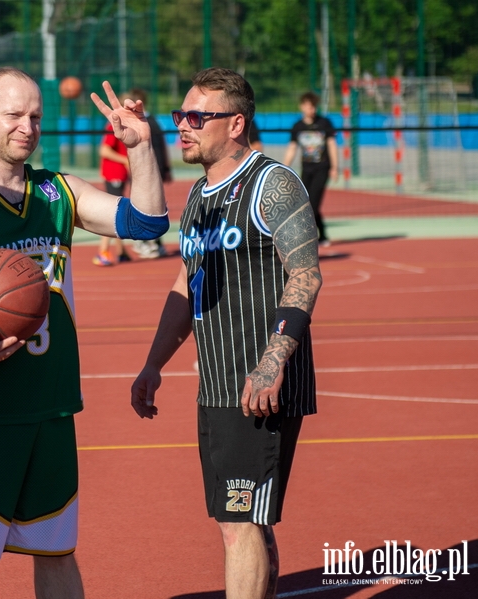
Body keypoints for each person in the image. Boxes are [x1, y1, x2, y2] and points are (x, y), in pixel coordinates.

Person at [0, 67, 167, 599]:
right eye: (14, 115)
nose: (28, 126)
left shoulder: (57, 192)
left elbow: (147, 223)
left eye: (36, 116)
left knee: (57, 554)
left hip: (50, 409)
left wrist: (139, 147)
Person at [131, 67, 322, 599]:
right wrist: (154, 364)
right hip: (216, 385)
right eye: (180, 116)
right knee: (243, 521)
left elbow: (306, 274)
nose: (183, 127)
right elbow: (187, 283)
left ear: (235, 123)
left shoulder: (273, 183)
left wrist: (271, 362)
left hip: (259, 385)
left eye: (197, 116)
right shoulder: (198, 197)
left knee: (239, 525)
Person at [282, 91, 338, 247]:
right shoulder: (297, 126)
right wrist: (283, 168)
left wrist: (334, 167)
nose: (311, 109)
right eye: (307, 106)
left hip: (322, 168)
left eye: (313, 106)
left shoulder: (324, 123)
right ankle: (323, 235)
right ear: (302, 107)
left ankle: (312, 236)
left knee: (314, 202)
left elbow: (332, 145)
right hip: (306, 169)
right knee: (305, 203)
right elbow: (292, 148)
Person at [128, 88, 171, 259]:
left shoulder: (147, 122)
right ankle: (155, 243)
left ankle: (147, 242)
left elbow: (162, 146)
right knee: (155, 204)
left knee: (145, 204)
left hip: (149, 169)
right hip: (153, 167)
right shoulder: (153, 121)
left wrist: (166, 168)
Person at [93, 97, 133, 266]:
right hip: (114, 174)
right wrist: (124, 160)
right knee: (114, 213)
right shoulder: (112, 127)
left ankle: (121, 251)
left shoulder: (124, 127)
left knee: (118, 210)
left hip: (118, 175)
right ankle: (103, 251)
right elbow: (104, 150)